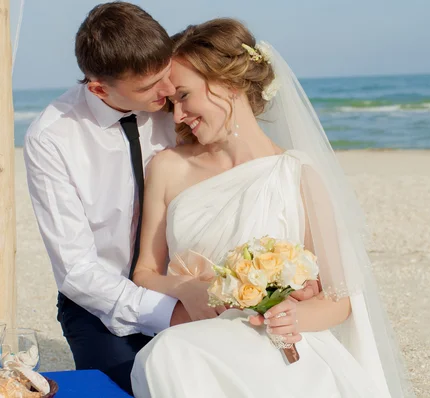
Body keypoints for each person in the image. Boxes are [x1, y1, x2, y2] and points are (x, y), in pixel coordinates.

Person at [23, 3, 317, 394]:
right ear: (98, 88)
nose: (167, 97)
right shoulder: (53, 138)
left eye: (166, 77)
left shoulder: (177, 104)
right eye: (148, 87)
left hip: (211, 294)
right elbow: (77, 271)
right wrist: (174, 308)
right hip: (104, 305)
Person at [130, 18, 415, 398]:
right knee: (164, 354)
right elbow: (144, 272)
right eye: (171, 103)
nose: (177, 115)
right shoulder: (168, 167)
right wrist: (187, 289)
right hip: (200, 341)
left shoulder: (297, 174)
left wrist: (294, 315)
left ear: (227, 84)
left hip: (278, 343)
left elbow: (339, 299)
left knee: (167, 354)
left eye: (183, 96)